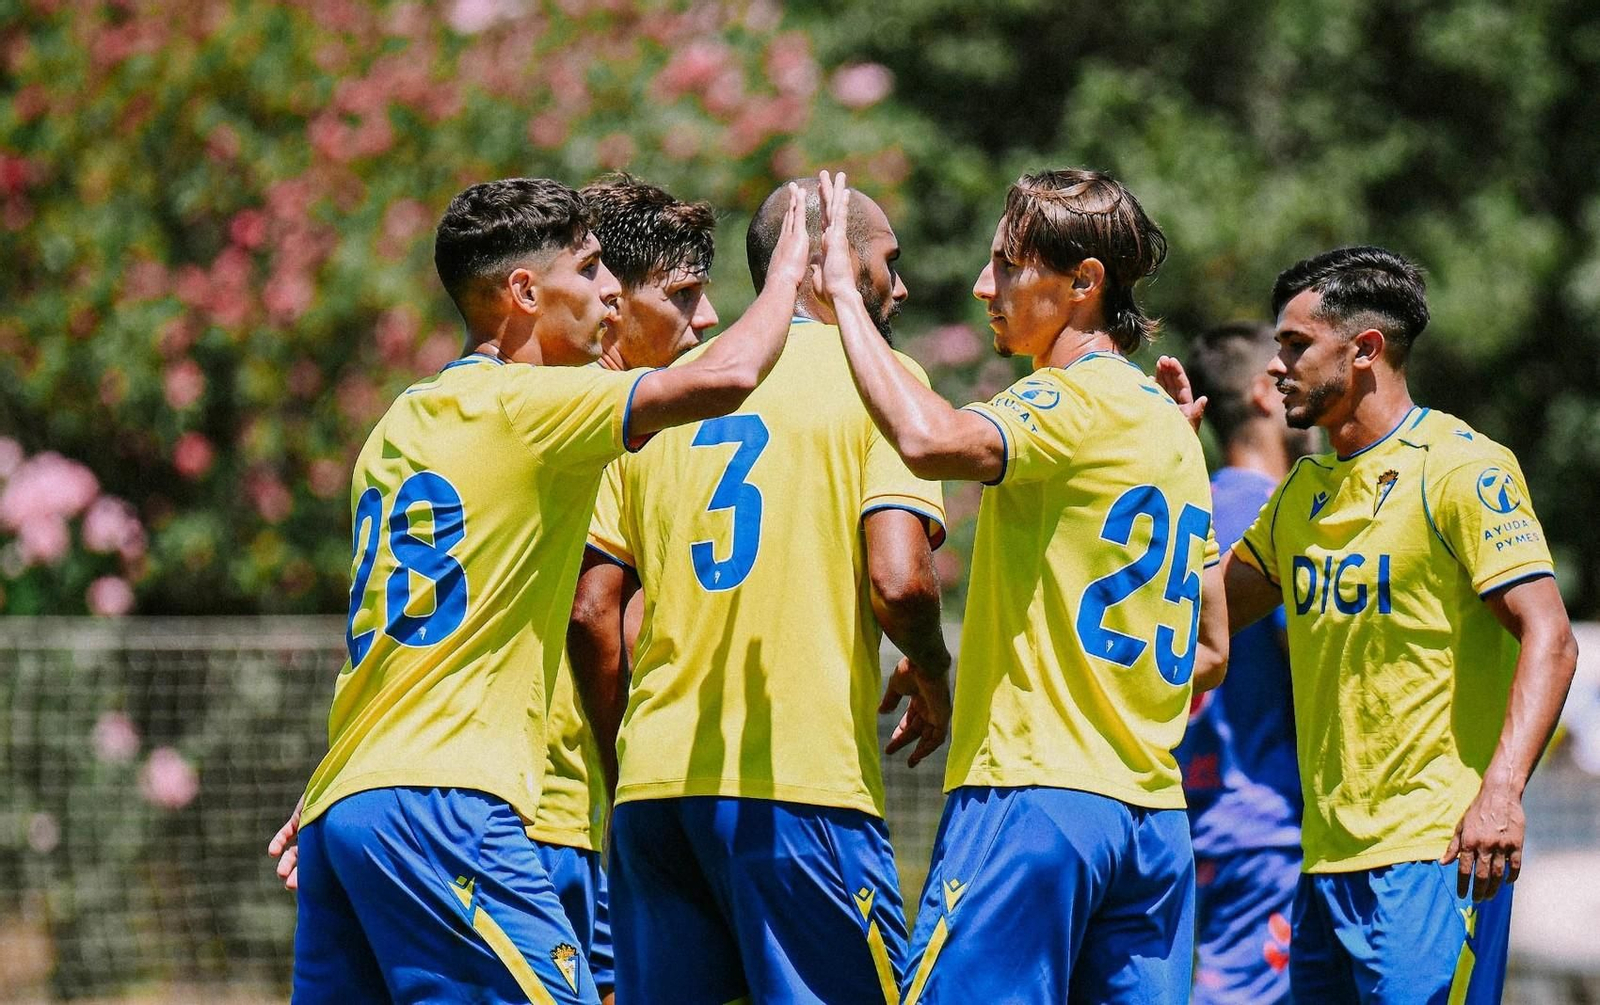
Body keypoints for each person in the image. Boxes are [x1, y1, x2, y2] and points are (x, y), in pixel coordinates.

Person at [286, 176, 810, 1004]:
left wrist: (354, 782)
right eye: (593, 266)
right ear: (526, 291)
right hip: (448, 803)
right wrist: (793, 274)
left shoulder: (399, 424)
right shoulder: (530, 405)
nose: (610, 290)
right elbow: (734, 375)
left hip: (346, 803)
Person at [813, 168, 1228, 1004]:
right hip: (1152, 825)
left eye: (1006, 265)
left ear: (1084, 283)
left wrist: (843, 301)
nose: (982, 286)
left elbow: (928, 440)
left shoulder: (1072, 399)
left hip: (1034, 801)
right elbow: (1212, 650)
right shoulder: (1168, 428)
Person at [1158, 245, 1580, 1003]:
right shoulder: (1302, 493)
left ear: (1364, 350)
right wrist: (1173, 465)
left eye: (1295, 346)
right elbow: (1206, 623)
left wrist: (1501, 792)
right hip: (1321, 869)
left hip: (1436, 855)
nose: (1277, 367)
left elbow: (1549, 636)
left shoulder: (1460, 468)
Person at [568, 177, 952, 1005]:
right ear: (828, 266)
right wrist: (934, 672)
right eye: (889, 261)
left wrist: (625, 770)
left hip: (654, 799)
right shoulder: (878, 375)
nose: (903, 284)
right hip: (801, 790)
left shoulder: (659, 391)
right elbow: (901, 582)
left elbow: (594, 610)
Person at [1174, 322, 1315, 1004]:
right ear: (1265, 392)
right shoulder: (1281, 522)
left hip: (1181, 823)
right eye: (1290, 367)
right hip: (1265, 829)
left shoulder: (1181, 516)